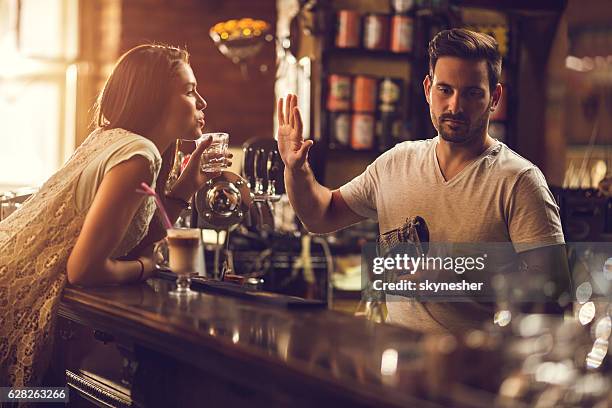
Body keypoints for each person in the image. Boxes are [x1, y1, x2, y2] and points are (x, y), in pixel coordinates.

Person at [277, 29, 570, 333]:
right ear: (428, 89)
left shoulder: (519, 181)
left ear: (494, 97)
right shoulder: (396, 162)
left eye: (472, 93)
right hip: (396, 365)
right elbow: (320, 215)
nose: (455, 106)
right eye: (445, 90)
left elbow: (552, 295)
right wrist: (296, 170)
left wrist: (458, 281)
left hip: (477, 370)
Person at [0, 44, 231, 386]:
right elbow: (84, 269)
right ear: (155, 99)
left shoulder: (110, 138)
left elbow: (132, 233)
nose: (202, 103)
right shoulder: (140, 154)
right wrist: (144, 269)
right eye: (189, 90)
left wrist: (187, 184)